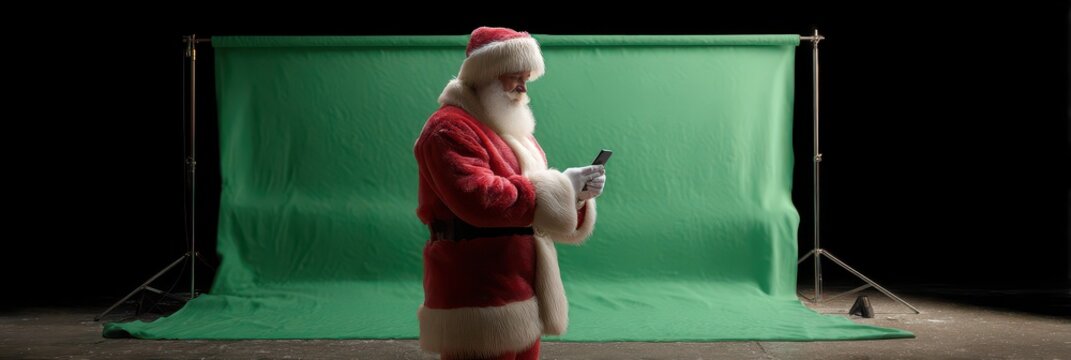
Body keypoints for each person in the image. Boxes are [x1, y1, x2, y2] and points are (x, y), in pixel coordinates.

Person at [413, 26, 606, 360]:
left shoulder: (512, 132)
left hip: (522, 285)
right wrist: (561, 187)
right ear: (487, 73)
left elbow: (534, 205)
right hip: (477, 289)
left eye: (526, 78)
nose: (523, 87)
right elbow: (479, 198)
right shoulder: (448, 129)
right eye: (514, 77)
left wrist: (576, 195)